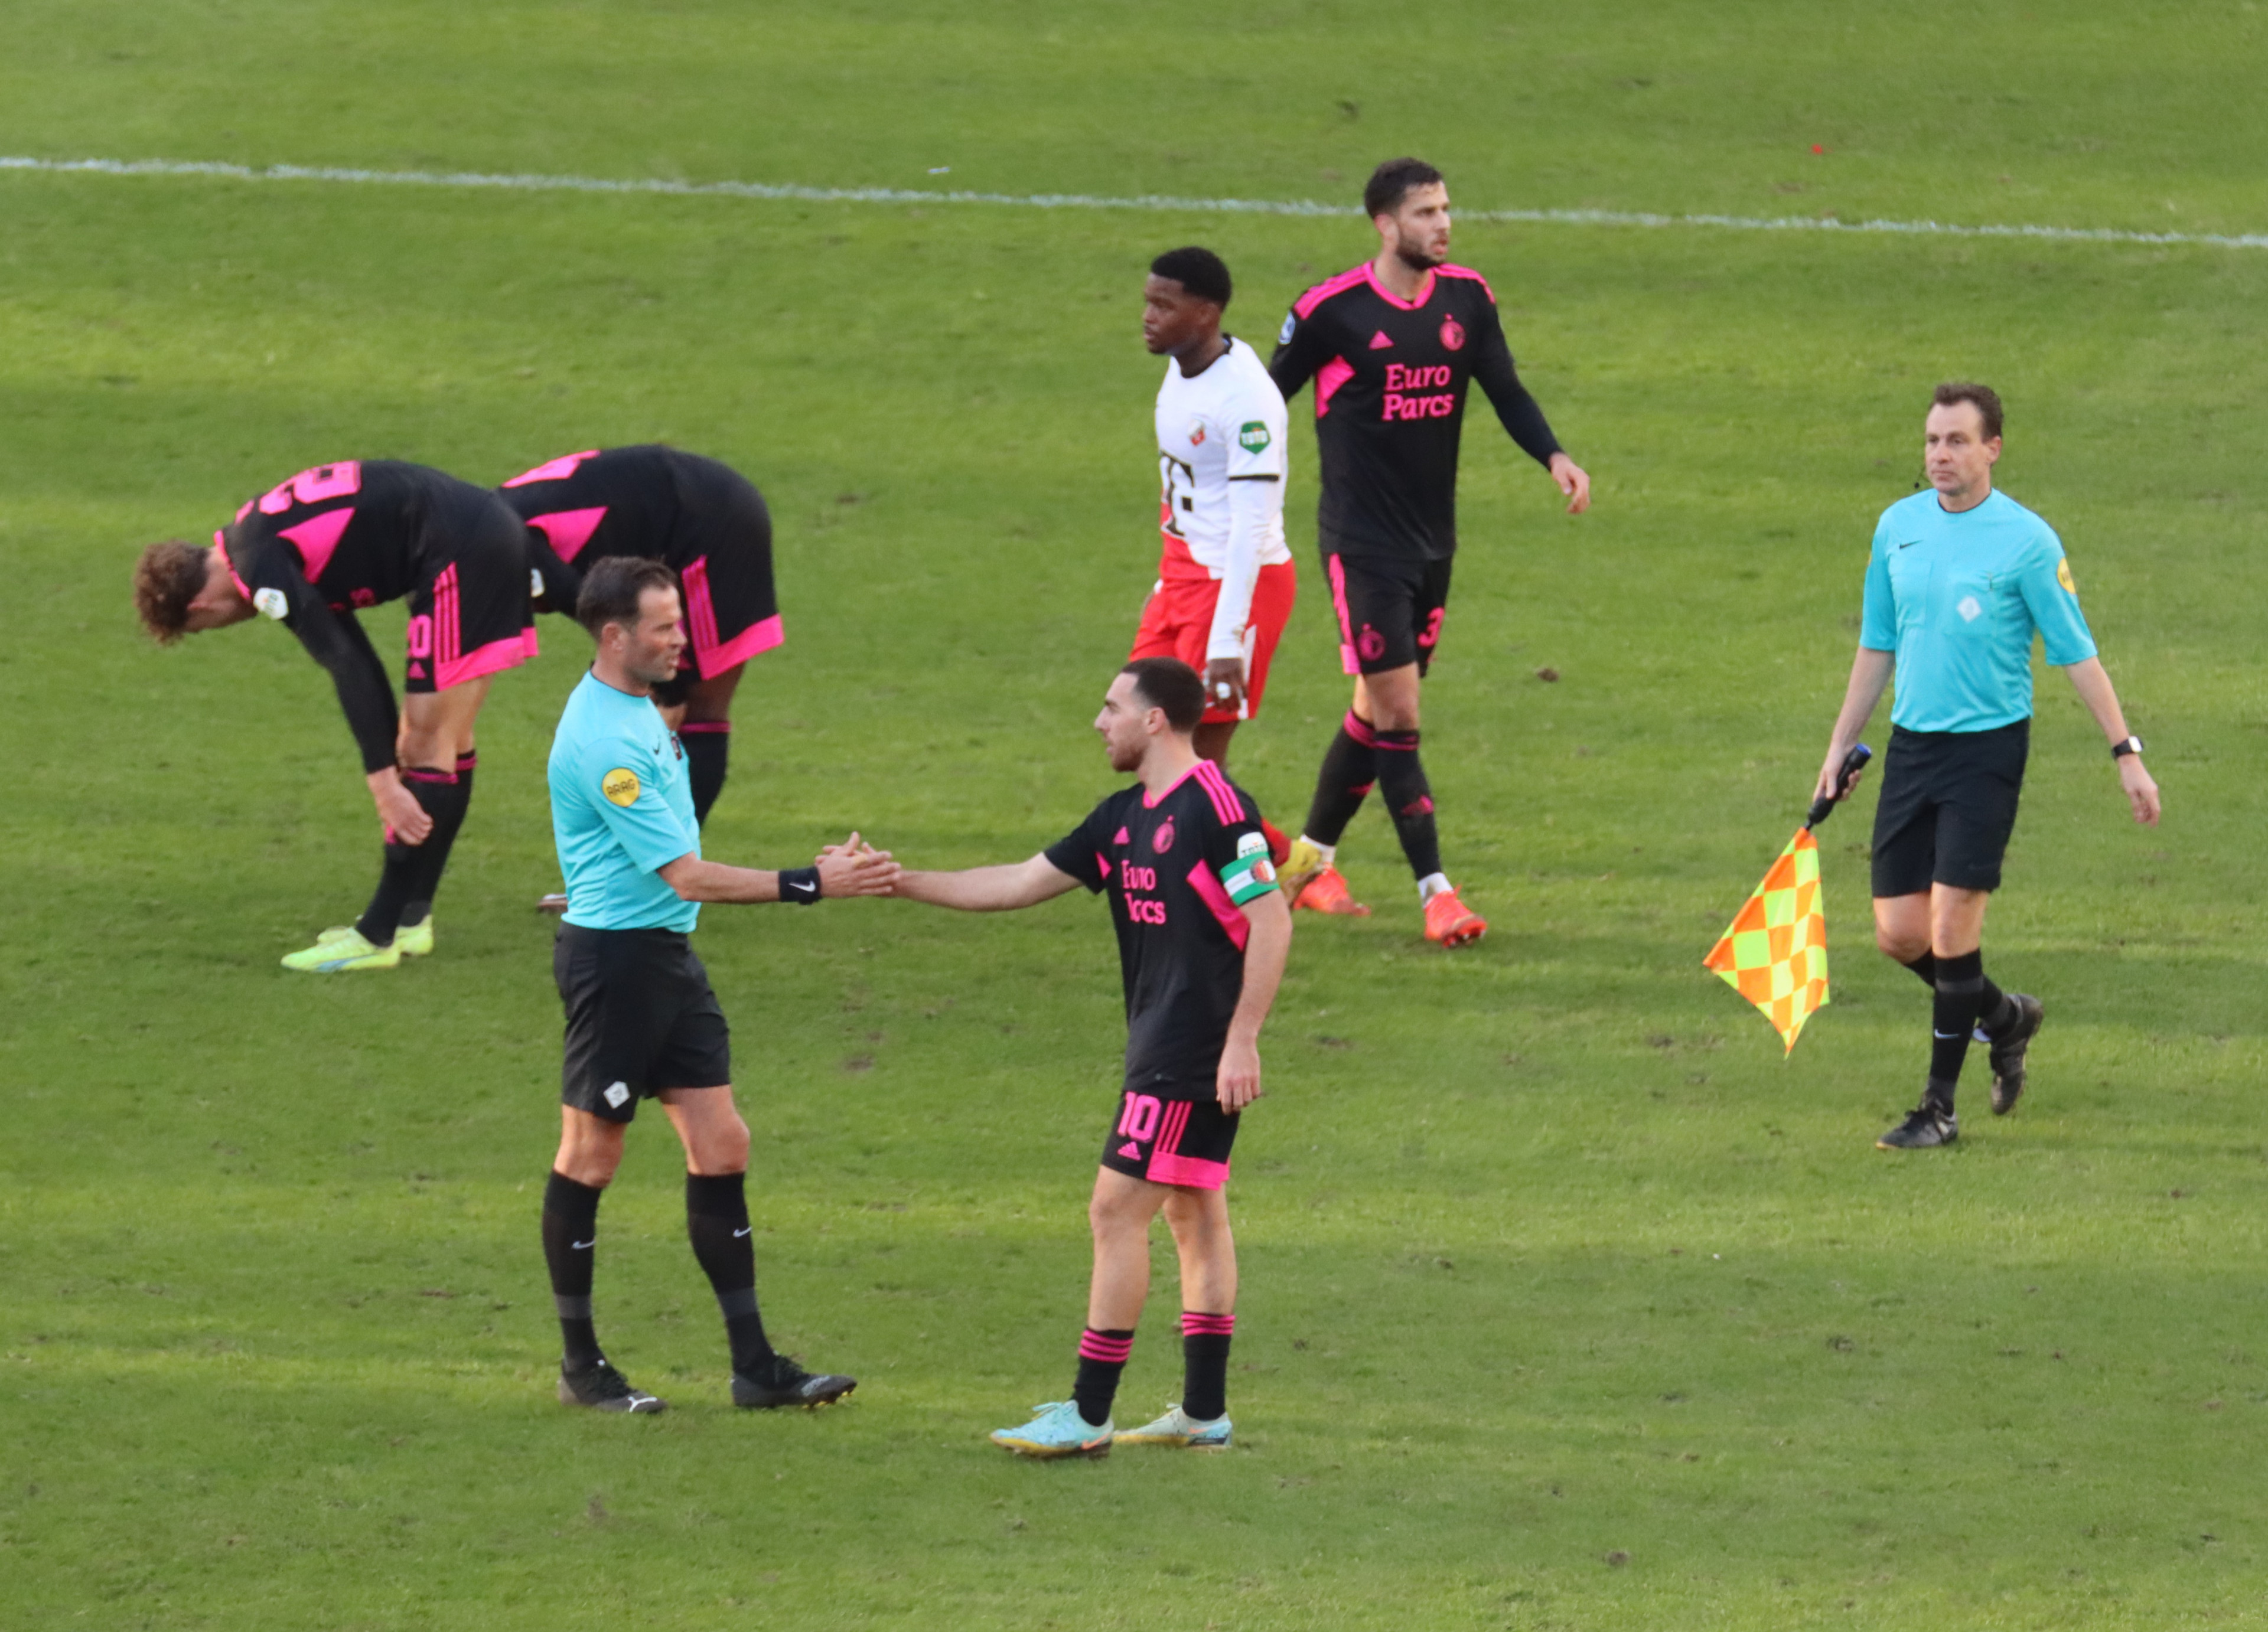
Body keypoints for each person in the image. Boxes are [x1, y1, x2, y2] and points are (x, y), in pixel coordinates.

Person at [882, 658, 1291, 1456]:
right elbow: (1013, 884)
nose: (1099, 722)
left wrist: (1242, 1038)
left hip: (1191, 1048)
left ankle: (1089, 1413)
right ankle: (1204, 1412)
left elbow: (1272, 921)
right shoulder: (1120, 820)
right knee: (1192, 1211)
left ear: (1156, 720)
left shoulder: (1217, 808)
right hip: (1170, 1043)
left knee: (1115, 1212)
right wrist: (900, 882)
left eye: (1111, 708)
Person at [542, 556, 897, 1412]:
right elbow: (686, 876)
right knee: (592, 1155)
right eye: (664, 626)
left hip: (663, 960)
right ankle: (583, 1370)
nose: (681, 640)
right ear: (615, 635)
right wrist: (812, 883)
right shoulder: (608, 743)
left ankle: (755, 1369)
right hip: (616, 963)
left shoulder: (637, 708)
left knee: (722, 1143)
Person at [1813, 383, 2161, 1151]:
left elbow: (2077, 652)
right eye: (1934, 440)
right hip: (1911, 748)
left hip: (1986, 754)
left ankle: (1938, 1109)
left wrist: (2125, 754)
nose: (1941, 454)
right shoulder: (1896, 528)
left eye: (1959, 441)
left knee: (1951, 924)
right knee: (1900, 937)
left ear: (1993, 449)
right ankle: (2006, 1018)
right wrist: (1840, 747)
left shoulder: (2027, 541)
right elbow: (1877, 645)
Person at [1269, 156, 1592, 944]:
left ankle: (1307, 865)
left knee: (1371, 711)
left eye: (1446, 209)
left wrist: (1553, 454)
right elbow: (1262, 402)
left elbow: (1504, 388)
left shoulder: (1467, 298)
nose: (1442, 224)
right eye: (1424, 213)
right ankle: (1437, 894)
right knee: (1401, 714)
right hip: (1359, 544)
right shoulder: (1330, 312)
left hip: (1432, 542)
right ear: (1385, 225)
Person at [132, 460, 537, 971]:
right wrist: (384, 770)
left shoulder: (261, 570)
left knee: (424, 746)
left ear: (200, 609)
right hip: (482, 532)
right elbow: (355, 658)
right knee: (446, 740)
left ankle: (377, 936)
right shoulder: (255, 537)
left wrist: (384, 783)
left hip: (462, 552)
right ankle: (411, 921)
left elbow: (344, 664)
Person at [500, 446, 781, 831]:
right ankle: (636, 874)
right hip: (680, 508)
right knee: (644, 702)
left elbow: (585, 604)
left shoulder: (500, 542)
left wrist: (667, 687)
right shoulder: (488, 522)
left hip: (711, 523)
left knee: (698, 708)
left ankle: (657, 878)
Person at [1132, 247, 1297, 862]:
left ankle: (1228, 888)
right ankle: (1277, 854)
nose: (1147, 316)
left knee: (1196, 756)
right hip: (1181, 579)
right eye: (1148, 301)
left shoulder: (1247, 401)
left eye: (1162, 305)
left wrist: (1228, 641)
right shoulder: (1184, 365)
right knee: (1140, 729)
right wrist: (1165, 580)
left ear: (1205, 313)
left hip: (1238, 586)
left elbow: (1251, 526)